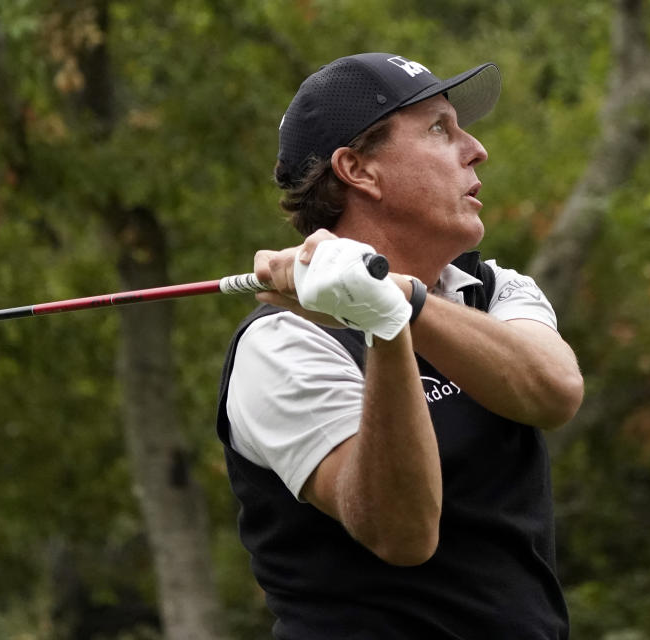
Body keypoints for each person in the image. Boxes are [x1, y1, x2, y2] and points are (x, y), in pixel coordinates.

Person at [216, 52, 584, 638]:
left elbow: (553, 392)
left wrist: (401, 303)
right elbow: (402, 532)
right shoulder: (280, 343)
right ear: (359, 170)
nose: (476, 148)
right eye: (440, 128)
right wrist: (382, 325)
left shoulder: (492, 291)